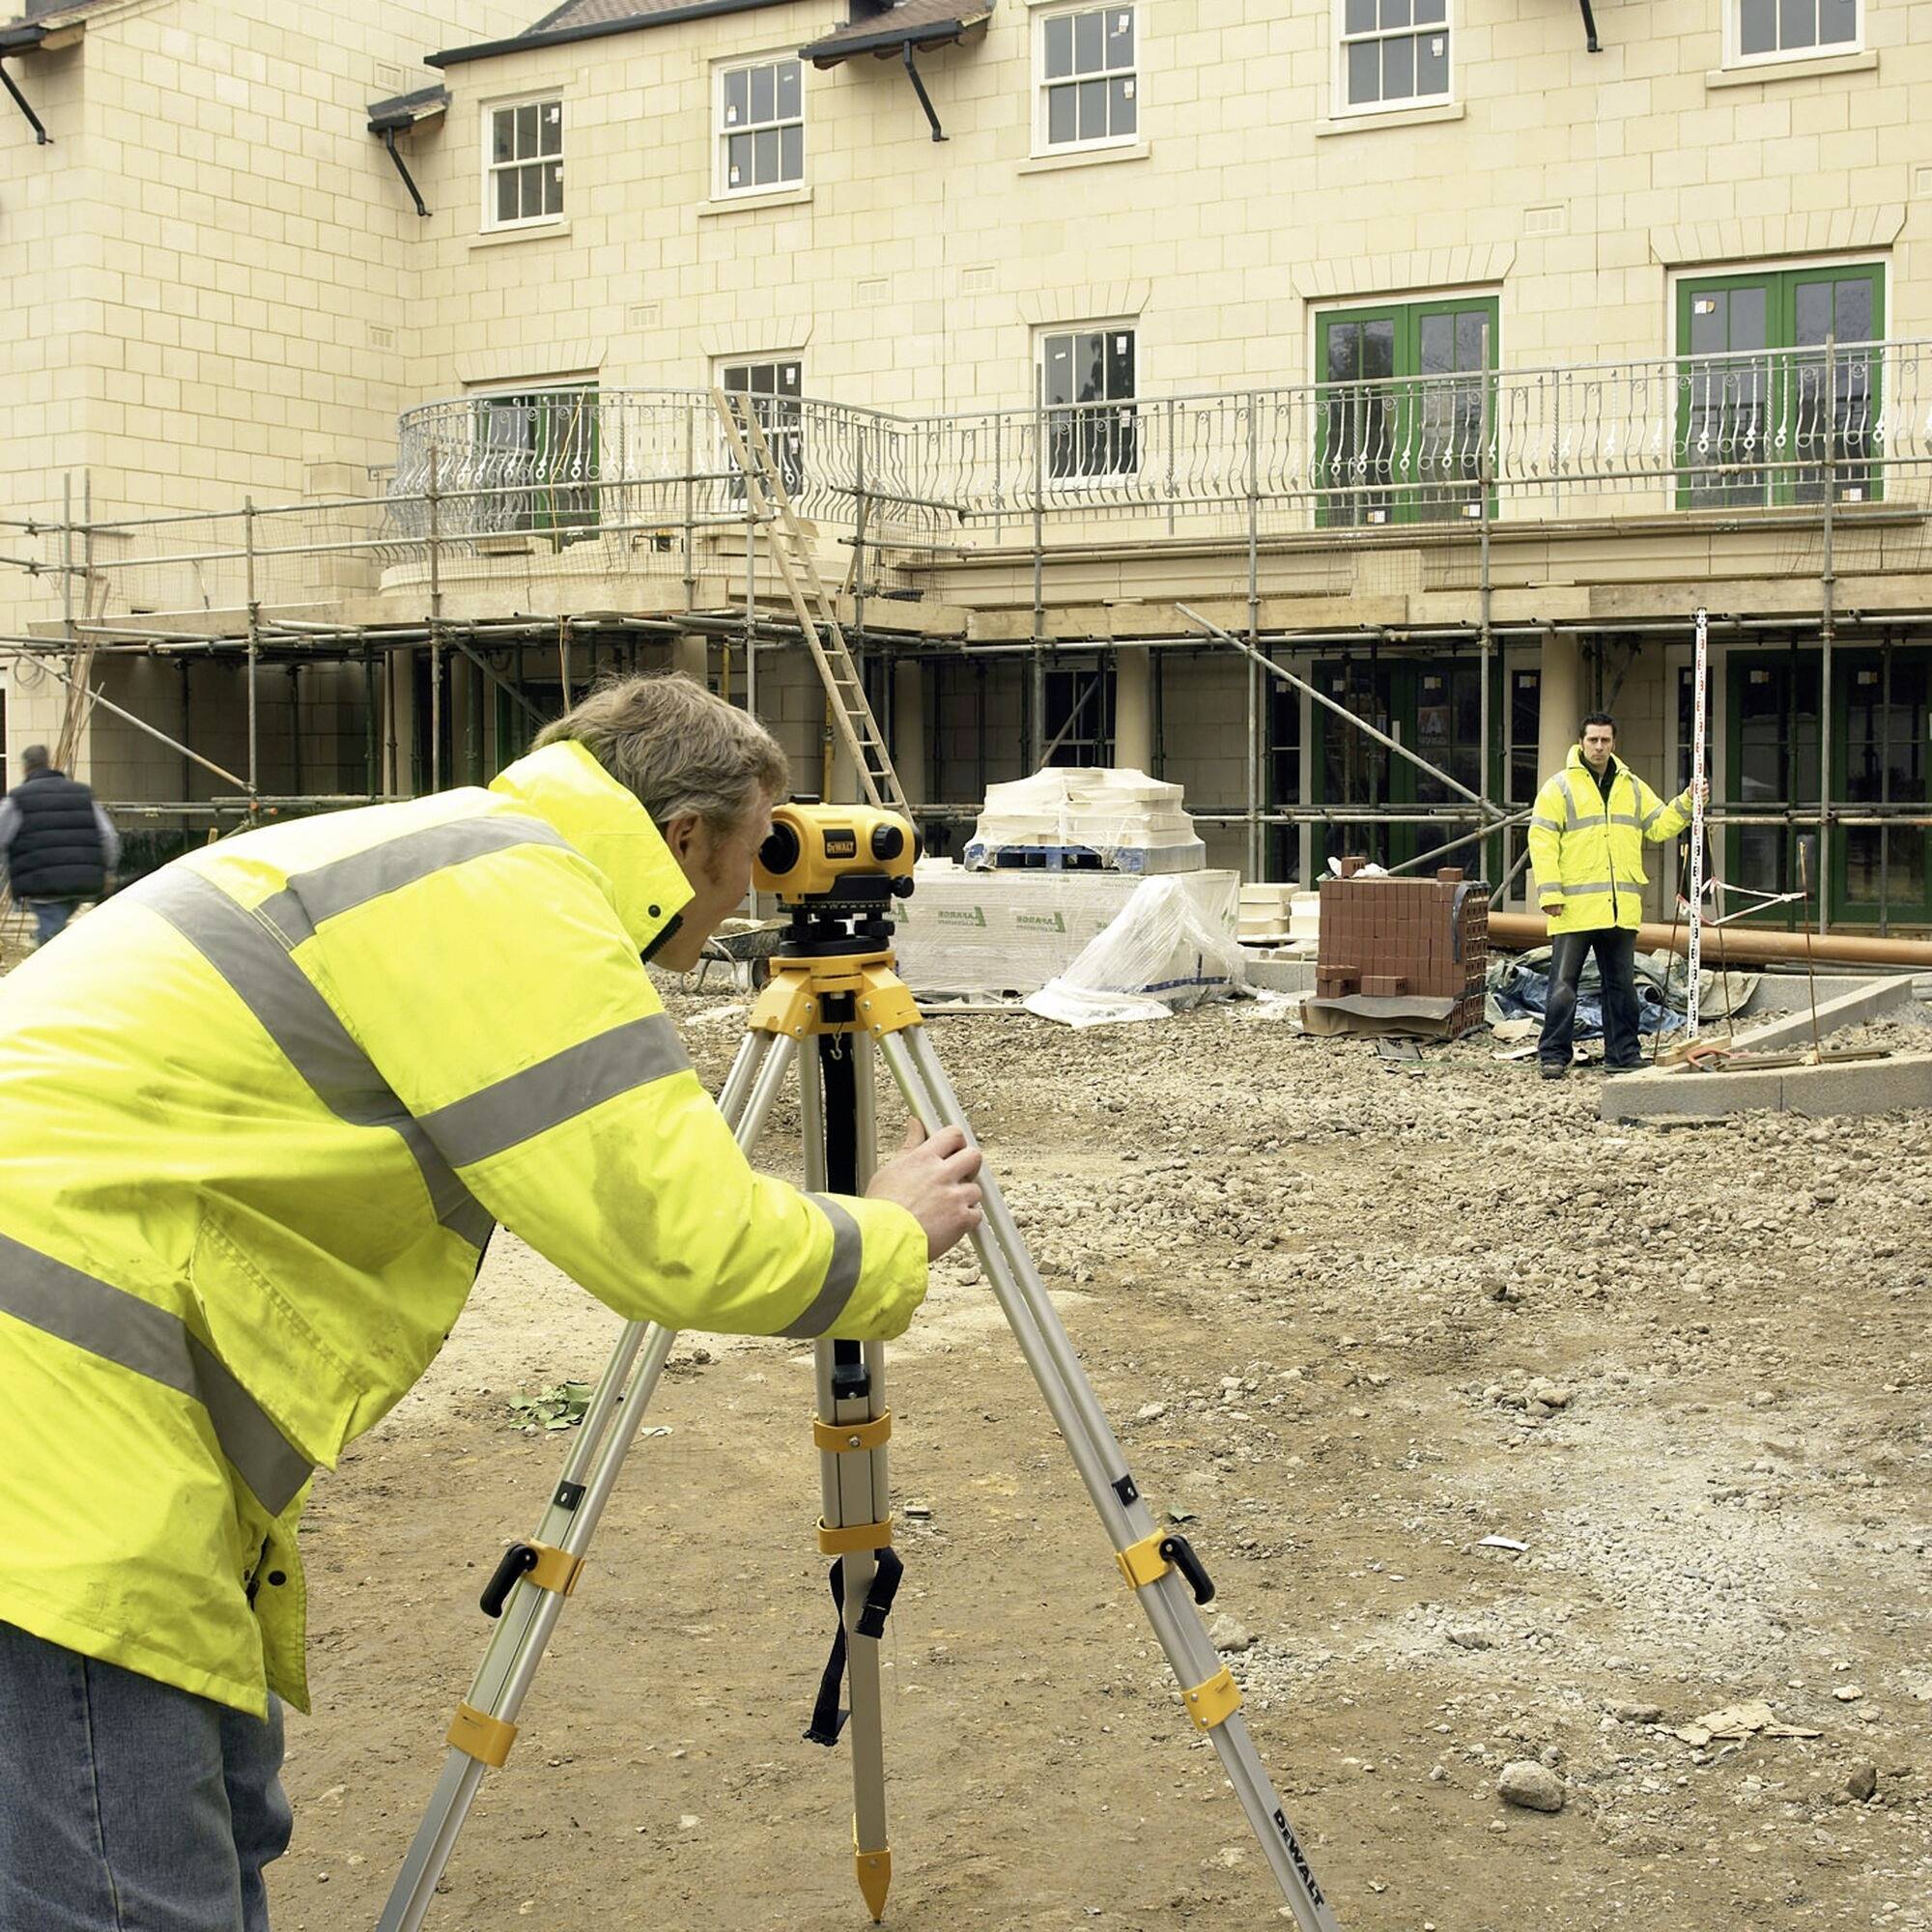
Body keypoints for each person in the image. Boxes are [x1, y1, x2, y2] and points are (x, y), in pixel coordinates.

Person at [0, 671, 983, 1931]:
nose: (743, 906)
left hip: (87, 1403)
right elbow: (679, 1239)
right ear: (683, 838)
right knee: (128, 1884)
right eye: (746, 863)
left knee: (211, 1812)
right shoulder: (523, 900)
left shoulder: (447, 853)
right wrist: (888, 1232)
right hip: (58, 1437)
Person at [1527, 709, 1703, 1079]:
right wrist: (1550, 893)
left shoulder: (1631, 785)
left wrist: (1686, 802)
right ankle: (1553, 1056)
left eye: (1605, 740)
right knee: (1562, 986)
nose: (1599, 746)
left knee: (1622, 986)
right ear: (1580, 742)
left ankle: (1622, 1054)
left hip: (1619, 907)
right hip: (1573, 908)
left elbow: (1657, 826)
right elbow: (1541, 841)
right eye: (1593, 739)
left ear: (1614, 743)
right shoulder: (1559, 787)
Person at [0, 743, 120, 948]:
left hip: (44, 884)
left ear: (25, 768)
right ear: (49, 763)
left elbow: (2, 837)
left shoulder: (18, 799)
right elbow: (108, 836)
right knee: (58, 931)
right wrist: (108, 870)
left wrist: (6, 873)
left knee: (51, 940)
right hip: (83, 881)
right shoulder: (83, 793)